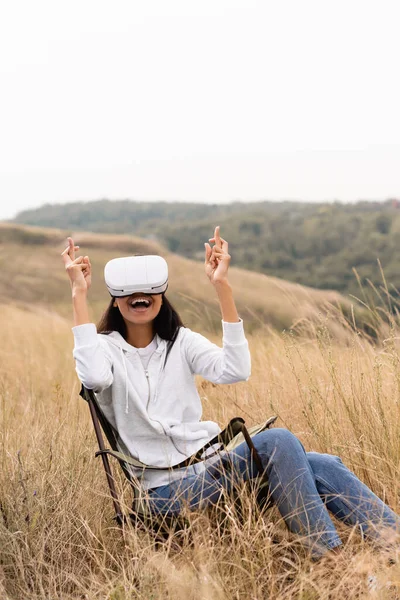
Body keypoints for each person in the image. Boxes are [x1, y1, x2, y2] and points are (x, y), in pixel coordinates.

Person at [62, 227, 399, 558]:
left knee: (321, 464)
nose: (141, 298)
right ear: (116, 300)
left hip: (209, 468)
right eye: (129, 293)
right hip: (162, 491)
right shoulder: (103, 350)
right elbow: (91, 377)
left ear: (162, 295)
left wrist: (221, 286)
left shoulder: (180, 342)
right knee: (278, 441)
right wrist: (79, 293)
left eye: (151, 290)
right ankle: (329, 560)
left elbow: (235, 369)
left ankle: (394, 544)